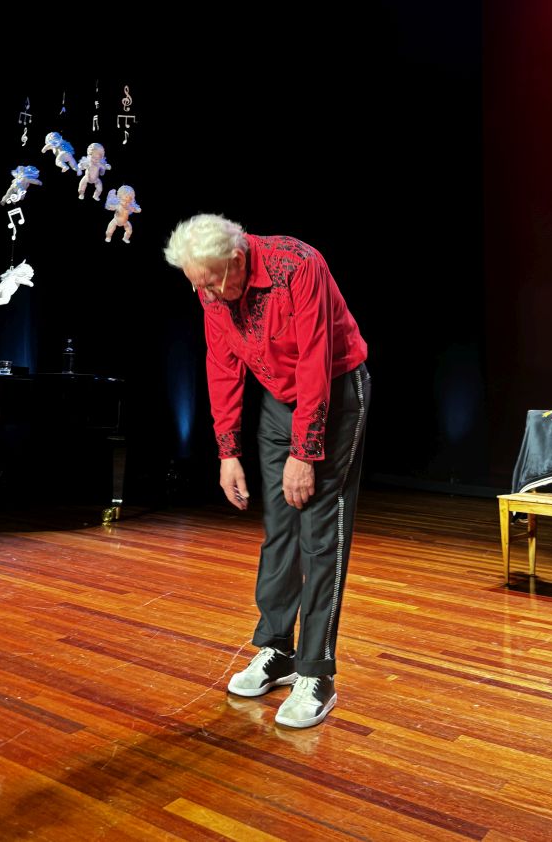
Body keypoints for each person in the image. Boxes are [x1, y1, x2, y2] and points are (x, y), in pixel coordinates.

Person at [164, 214, 370, 729]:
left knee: (319, 532)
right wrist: (227, 451)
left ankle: (317, 671)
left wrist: (306, 452)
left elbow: (316, 358)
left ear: (236, 261)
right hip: (280, 401)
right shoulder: (211, 287)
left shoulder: (297, 265)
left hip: (334, 392)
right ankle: (277, 649)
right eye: (198, 287)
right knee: (279, 529)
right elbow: (222, 363)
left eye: (212, 284)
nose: (207, 296)